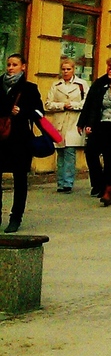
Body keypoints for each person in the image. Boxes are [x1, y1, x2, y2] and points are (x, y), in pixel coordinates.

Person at [0, 54, 44, 232]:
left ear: (23, 67)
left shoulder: (29, 88)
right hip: (1, 138)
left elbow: (39, 113)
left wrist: (23, 111)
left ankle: (15, 217)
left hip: (20, 140)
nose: (10, 68)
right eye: (9, 65)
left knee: (20, 179)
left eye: (15, 65)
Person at [79, 57, 111, 206]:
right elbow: (91, 104)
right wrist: (85, 122)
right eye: (110, 68)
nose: (110, 71)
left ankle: (109, 189)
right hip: (100, 125)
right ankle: (99, 183)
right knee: (91, 152)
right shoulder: (101, 84)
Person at [45, 57, 89, 193]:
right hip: (59, 122)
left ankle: (68, 182)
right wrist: (62, 105)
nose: (65, 71)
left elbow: (87, 102)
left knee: (70, 152)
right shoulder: (56, 85)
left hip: (74, 122)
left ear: (73, 70)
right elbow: (48, 104)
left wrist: (74, 105)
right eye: (63, 69)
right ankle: (60, 182)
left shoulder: (81, 84)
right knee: (60, 153)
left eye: (68, 69)